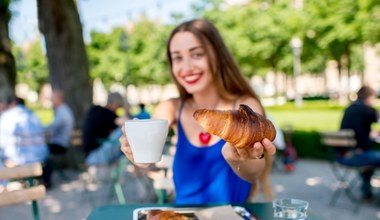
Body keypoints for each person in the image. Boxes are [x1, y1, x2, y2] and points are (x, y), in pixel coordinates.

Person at [120, 19, 276, 204]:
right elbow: (148, 148)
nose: (186, 67)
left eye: (197, 54)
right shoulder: (172, 108)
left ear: (217, 56)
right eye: (177, 58)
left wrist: (238, 160)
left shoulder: (245, 108)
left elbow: (254, 173)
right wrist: (140, 154)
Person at [339, 85, 380, 201]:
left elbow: (357, 130)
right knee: (373, 157)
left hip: (342, 154)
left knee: (370, 162)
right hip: (355, 156)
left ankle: (367, 192)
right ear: (369, 98)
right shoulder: (367, 110)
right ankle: (367, 192)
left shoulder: (349, 109)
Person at [43, 89, 75, 188]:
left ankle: (46, 181)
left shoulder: (62, 112)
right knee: (42, 150)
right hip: (60, 142)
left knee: (42, 151)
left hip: (60, 144)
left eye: (53, 98)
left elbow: (53, 127)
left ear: (58, 98)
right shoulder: (61, 110)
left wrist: (41, 130)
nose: (51, 100)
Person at [82, 92, 125, 157]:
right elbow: (125, 122)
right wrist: (126, 108)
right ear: (116, 103)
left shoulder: (95, 110)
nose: (119, 107)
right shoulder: (107, 114)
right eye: (119, 105)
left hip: (89, 153)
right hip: (96, 154)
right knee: (123, 129)